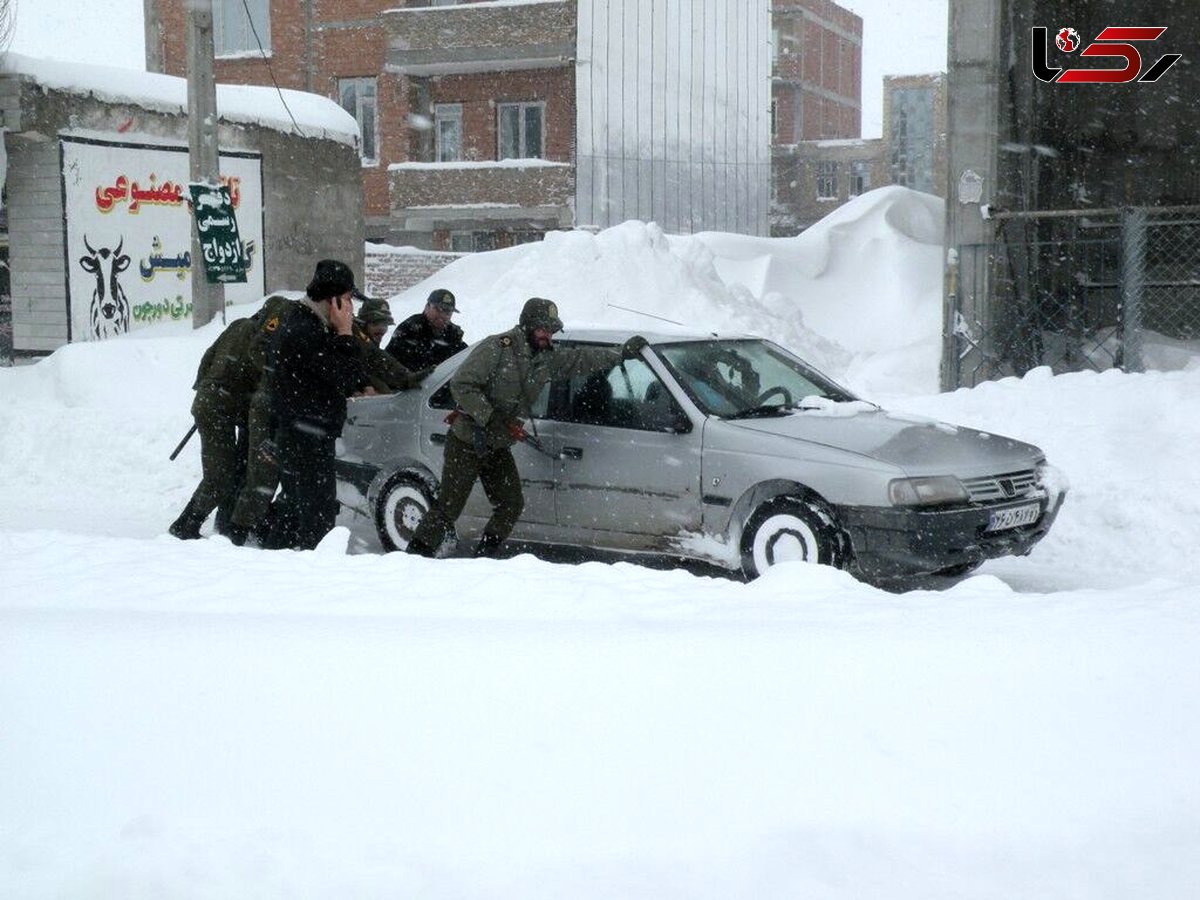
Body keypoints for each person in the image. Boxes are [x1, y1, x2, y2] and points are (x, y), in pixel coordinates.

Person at [406, 297, 649, 559]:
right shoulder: (497, 348)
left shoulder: (546, 357)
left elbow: (581, 359)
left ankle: (484, 559)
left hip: (497, 445)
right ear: (527, 326)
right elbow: (462, 385)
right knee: (449, 507)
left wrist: (620, 354)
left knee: (511, 504)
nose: (548, 335)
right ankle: (415, 556)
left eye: (552, 330)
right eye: (543, 328)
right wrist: (490, 416)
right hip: (468, 440)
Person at [262, 259, 368, 551]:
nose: (350, 308)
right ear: (332, 300)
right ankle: (313, 578)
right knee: (316, 518)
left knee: (295, 510)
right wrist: (345, 333)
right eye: (347, 300)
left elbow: (352, 373)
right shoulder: (304, 331)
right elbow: (346, 376)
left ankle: (271, 566)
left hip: (304, 433)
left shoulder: (311, 325)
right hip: (305, 437)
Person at [352, 296, 431, 395]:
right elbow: (377, 357)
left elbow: (381, 361)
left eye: (385, 325)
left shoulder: (369, 344)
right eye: (376, 324)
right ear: (363, 324)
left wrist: (407, 378)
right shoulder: (356, 339)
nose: (381, 330)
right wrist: (406, 378)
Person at [385, 288, 466, 372]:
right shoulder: (411, 328)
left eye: (447, 312)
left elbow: (466, 358)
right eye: (437, 309)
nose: (442, 315)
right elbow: (390, 362)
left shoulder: (453, 333)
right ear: (427, 307)